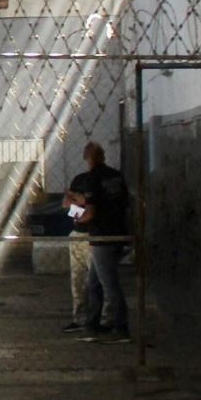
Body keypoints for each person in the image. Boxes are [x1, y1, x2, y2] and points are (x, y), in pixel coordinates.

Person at [73, 142, 132, 344]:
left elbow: (89, 213)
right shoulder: (116, 176)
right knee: (94, 282)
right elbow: (124, 203)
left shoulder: (92, 179)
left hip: (101, 236)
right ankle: (92, 324)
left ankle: (120, 327)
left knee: (109, 284)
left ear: (88, 159)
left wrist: (74, 215)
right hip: (119, 232)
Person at [61, 144, 97, 333]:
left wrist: (78, 204)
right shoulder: (81, 180)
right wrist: (79, 205)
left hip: (92, 234)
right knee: (77, 279)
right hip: (78, 234)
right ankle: (80, 318)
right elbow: (67, 205)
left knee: (94, 280)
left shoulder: (96, 180)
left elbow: (87, 208)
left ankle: (94, 319)